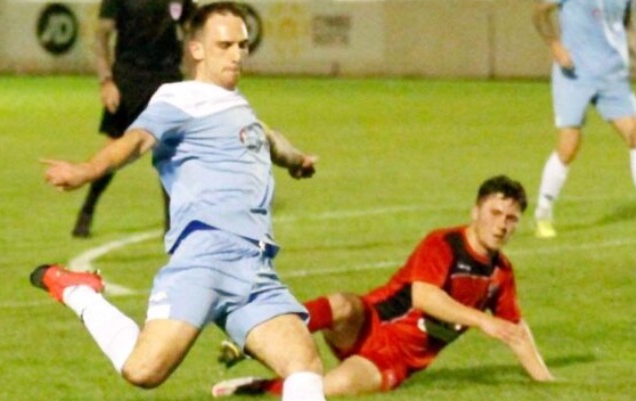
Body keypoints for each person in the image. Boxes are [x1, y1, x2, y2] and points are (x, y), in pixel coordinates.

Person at [32, 3, 326, 400]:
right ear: (197, 49)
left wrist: (297, 160)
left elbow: (267, 138)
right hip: (206, 258)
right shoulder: (179, 98)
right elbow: (136, 141)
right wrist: (87, 169)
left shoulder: (238, 107)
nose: (237, 55)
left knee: (304, 365)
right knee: (143, 371)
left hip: (255, 268)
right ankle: (78, 292)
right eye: (225, 45)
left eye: (242, 45)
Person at [211, 175, 555, 397]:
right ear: (475, 211)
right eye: (495, 213)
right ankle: (262, 333)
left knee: (339, 386)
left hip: (398, 361)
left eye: (511, 218)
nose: (501, 225)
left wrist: (547, 382)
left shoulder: (501, 273)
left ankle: (259, 387)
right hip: (368, 323)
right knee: (342, 303)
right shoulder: (444, 244)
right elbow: (424, 296)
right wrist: (482, 320)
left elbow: (515, 330)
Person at [531, 0, 636, 238]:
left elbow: (627, 23)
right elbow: (539, 11)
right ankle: (543, 213)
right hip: (574, 75)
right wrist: (554, 45)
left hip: (613, 76)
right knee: (568, 146)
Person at [72, 0, 196, 238]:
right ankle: (88, 208)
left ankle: (171, 223)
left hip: (167, 78)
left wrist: (194, 76)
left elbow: (193, 31)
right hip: (128, 79)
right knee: (115, 146)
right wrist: (106, 80)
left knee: (169, 151)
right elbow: (102, 36)